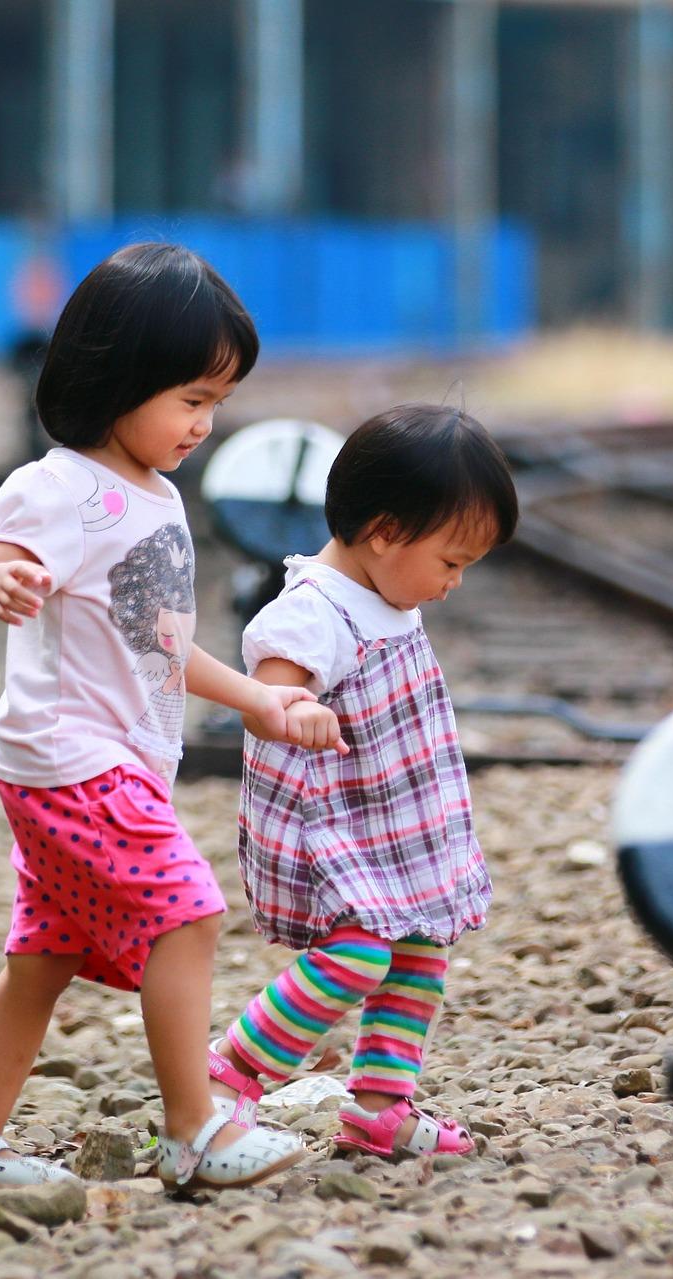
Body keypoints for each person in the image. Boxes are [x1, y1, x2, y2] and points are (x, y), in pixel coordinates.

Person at [0, 243, 323, 1195]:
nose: (205, 423)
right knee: (188, 913)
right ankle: (195, 1129)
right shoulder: (56, 488)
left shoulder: (157, 497)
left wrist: (259, 697)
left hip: (105, 766)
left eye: (216, 401)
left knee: (42, 960)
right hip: (72, 761)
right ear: (116, 377)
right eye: (190, 398)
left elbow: (157, 642)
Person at [207, 404, 519, 1158]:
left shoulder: (387, 595)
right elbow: (266, 704)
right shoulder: (312, 612)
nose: (453, 583)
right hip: (338, 823)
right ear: (384, 530)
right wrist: (295, 709)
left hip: (402, 819)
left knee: (420, 950)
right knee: (356, 956)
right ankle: (230, 1074)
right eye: (451, 561)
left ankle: (382, 1104)